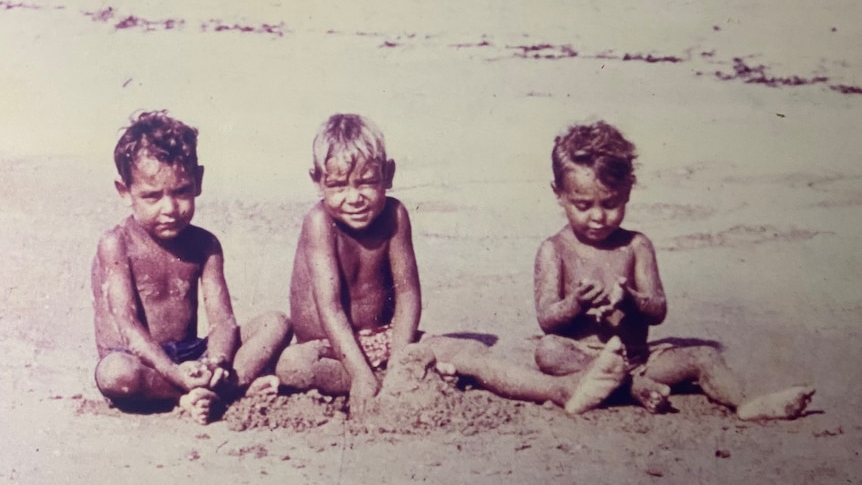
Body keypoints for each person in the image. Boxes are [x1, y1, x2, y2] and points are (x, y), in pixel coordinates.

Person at [275, 113, 628, 417]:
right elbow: (331, 308)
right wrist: (361, 374)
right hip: (333, 347)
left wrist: (402, 359)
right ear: (317, 181)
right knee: (293, 366)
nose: (354, 198)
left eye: (367, 182)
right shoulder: (319, 223)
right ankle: (376, 380)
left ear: (388, 173)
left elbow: (408, 292)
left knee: (471, 354)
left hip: (388, 338)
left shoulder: (395, 214)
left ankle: (562, 389)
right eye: (337, 186)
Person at [533, 120, 815, 420]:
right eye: (583, 205)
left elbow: (658, 311)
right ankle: (631, 387)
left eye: (611, 203)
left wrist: (631, 299)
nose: (599, 216)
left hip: (638, 357)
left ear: (628, 189)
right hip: (585, 358)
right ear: (559, 194)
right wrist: (576, 303)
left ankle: (746, 402)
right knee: (548, 350)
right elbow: (547, 320)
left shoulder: (636, 245)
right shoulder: (554, 250)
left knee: (704, 356)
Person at [92, 110, 292, 424]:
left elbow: (223, 321)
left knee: (275, 323)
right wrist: (177, 376)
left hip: (194, 356)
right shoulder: (116, 245)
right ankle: (192, 396)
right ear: (125, 193)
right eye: (152, 196)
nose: (169, 208)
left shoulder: (204, 244)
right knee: (114, 374)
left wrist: (215, 363)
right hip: (140, 361)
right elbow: (128, 327)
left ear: (198, 181)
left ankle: (216, 388)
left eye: (181, 191)